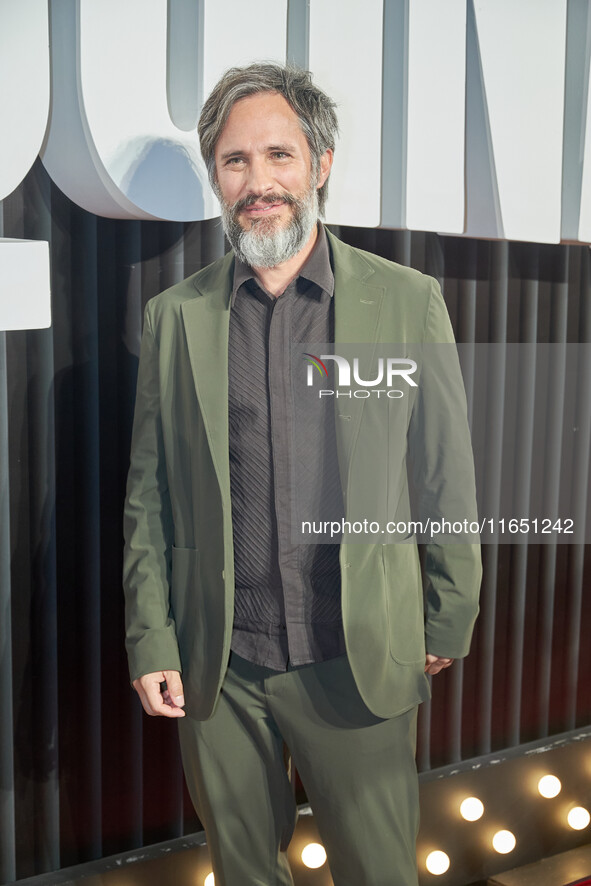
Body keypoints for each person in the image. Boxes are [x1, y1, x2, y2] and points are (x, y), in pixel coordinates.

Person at [123, 63, 481, 886]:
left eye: (279, 155)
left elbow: (441, 473)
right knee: (245, 874)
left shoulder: (403, 301)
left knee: (379, 873)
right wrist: (151, 636)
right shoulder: (176, 317)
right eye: (235, 161)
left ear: (319, 164)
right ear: (216, 176)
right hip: (223, 667)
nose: (259, 183)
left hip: (353, 659)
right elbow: (151, 498)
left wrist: (446, 613)